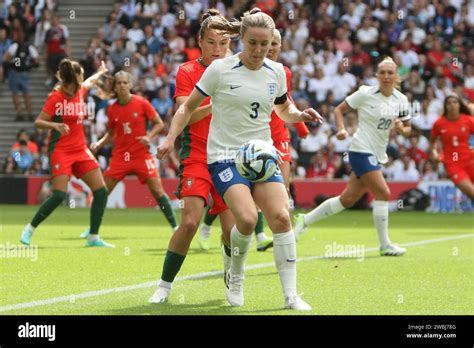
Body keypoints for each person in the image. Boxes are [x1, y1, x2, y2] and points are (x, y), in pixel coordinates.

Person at [157, 8, 322, 310]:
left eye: (265, 43)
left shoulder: (276, 73)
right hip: (223, 157)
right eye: (253, 43)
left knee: (282, 217)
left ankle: (290, 295)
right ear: (241, 39)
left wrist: (301, 115)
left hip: (261, 154)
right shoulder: (220, 70)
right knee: (246, 219)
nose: (259, 50)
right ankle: (235, 275)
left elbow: (283, 110)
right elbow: (185, 108)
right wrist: (169, 138)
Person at [148, 9, 236, 304]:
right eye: (211, 42)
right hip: (197, 157)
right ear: (200, 42)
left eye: (222, 43)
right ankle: (164, 286)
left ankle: (231, 277)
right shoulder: (187, 71)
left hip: (230, 158)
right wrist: (171, 139)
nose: (217, 49)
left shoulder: (240, 69)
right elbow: (186, 113)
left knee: (233, 232)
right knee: (189, 222)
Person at [294, 57, 411, 256]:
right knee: (383, 193)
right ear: (377, 75)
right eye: (382, 72)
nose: (386, 76)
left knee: (347, 200)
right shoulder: (365, 93)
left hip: (377, 153)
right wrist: (341, 130)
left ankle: (305, 220)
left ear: (396, 76)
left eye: (390, 72)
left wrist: (402, 129)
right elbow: (339, 109)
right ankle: (384, 245)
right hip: (360, 150)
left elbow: (408, 129)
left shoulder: (401, 100)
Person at [20, 59, 113, 247]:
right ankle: (29, 229)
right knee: (59, 195)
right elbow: (38, 122)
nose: (83, 78)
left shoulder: (80, 90)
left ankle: (93, 237)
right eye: (81, 75)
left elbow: (90, 82)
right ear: (75, 78)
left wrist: (101, 72)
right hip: (60, 150)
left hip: (80, 149)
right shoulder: (55, 97)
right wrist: (55, 124)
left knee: (101, 191)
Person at [80, 70, 178, 237]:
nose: (123, 85)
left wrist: (149, 136)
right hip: (120, 157)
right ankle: (92, 231)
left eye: (125, 82)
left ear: (130, 85)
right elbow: (111, 134)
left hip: (141, 155)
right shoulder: (112, 109)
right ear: (115, 87)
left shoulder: (142, 103)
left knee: (158, 192)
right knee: (101, 192)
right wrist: (99, 143)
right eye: (119, 83)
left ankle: (176, 228)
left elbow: (159, 123)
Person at [429, 95, 474, 201]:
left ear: (459, 105)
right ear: (445, 106)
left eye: (455, 102)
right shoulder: (439, 123)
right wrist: (434, 153)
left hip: (470, 160)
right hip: (453, 164)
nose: (452, 105)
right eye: (449, 103)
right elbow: (432, 143)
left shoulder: (468, 120)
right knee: (472, 193)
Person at [3, 29, 39, 121]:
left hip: (18, 72)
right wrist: (29, 65)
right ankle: (25, 113)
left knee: (20, 94)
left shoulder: (17, 46)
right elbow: (36, 61)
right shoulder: (29, 47)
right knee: (22, 94)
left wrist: (14, 64)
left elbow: (6, 58)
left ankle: (23, 113)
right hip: (21, 72)